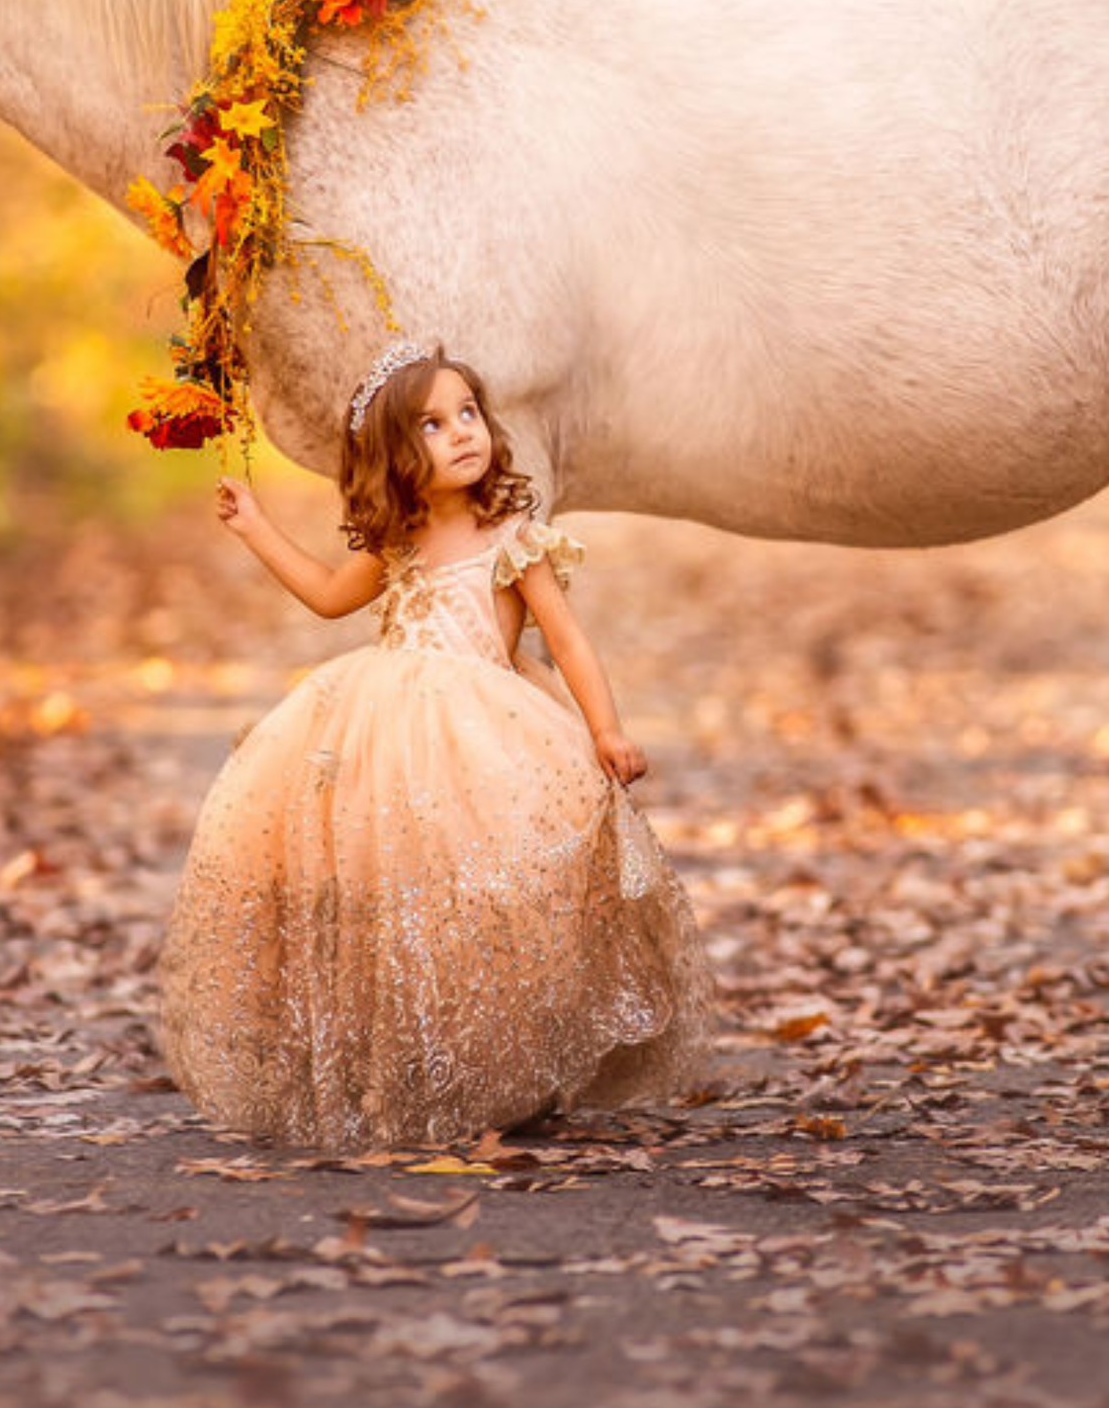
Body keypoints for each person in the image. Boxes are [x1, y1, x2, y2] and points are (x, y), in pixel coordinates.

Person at [157, 339, 715, 1147]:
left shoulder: (511, 535)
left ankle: (516, 1060)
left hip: (490, 732)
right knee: (398, 895)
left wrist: (606, 728)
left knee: (502, 893)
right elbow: (323, 595)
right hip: (386, 732)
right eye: (432, 423)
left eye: (469, 413)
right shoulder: (398, 540)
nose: (463, 432)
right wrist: (254, 526)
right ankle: (402, 1060)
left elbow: (567, 641)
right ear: (394, 454)